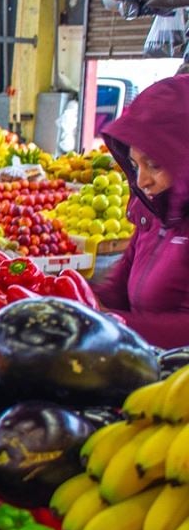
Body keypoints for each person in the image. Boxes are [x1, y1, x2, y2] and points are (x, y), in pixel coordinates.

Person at [94, 75, 189, 349]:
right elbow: (118, 289)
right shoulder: (155, 213)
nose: (141, 180)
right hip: (145, 366)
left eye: (155, 165)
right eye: (136, 166)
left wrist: (105, 322)